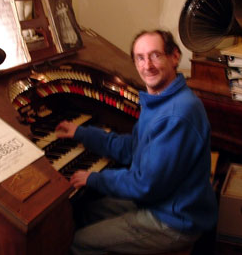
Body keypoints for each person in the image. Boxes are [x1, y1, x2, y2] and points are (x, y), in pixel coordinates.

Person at [55, 30, 218, 254]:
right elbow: (133, 148)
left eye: (155, 55)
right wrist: (83, 134)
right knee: (85, 212)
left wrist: (94, 179)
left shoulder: (177, 114)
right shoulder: (162, 99)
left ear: (174, 57)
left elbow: (145, 185)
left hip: (174, 219)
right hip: (161, 201)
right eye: (140, 58)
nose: (147, 65)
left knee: (80, 243)